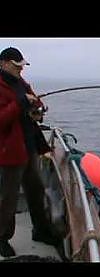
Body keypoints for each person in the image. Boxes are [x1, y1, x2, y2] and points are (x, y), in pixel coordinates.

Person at [0, 47, 59, 257]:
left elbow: (35, 101)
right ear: (4, 63)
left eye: (22, 66)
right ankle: (2, 239)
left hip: (30, 146)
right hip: (9, 152)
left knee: (36, 191)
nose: (20, 70)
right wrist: (21, 103)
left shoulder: (22, 83)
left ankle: (41, 231)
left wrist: (38, 111)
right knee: (8, 198)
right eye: (17, 66)